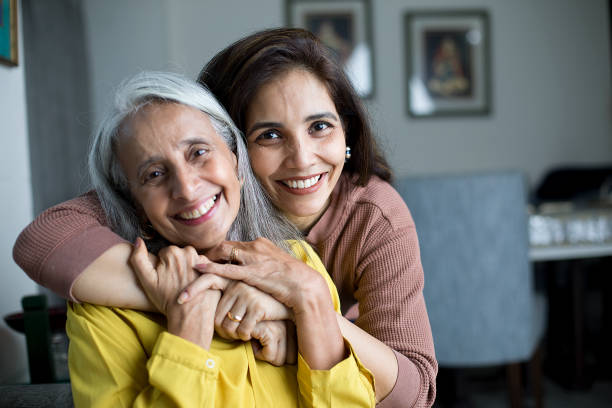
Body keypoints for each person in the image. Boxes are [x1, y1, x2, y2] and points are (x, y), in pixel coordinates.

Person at [14, 28, 436, 407]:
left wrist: (307, 311)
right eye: (269, 135)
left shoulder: (338, 240)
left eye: (320, 126)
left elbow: (413, 389)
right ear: (237, 146)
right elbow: (44, 239)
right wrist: (201, 299)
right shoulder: (173, 203)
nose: (303, 159)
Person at [66, 70, 375, 407]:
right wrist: (188, 329)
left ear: (236, 161)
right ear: (137, 206)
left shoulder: (299, 264)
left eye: (198, 153)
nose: (186, 188)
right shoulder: (102, 313)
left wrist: (312, 297)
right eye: (154, 174)